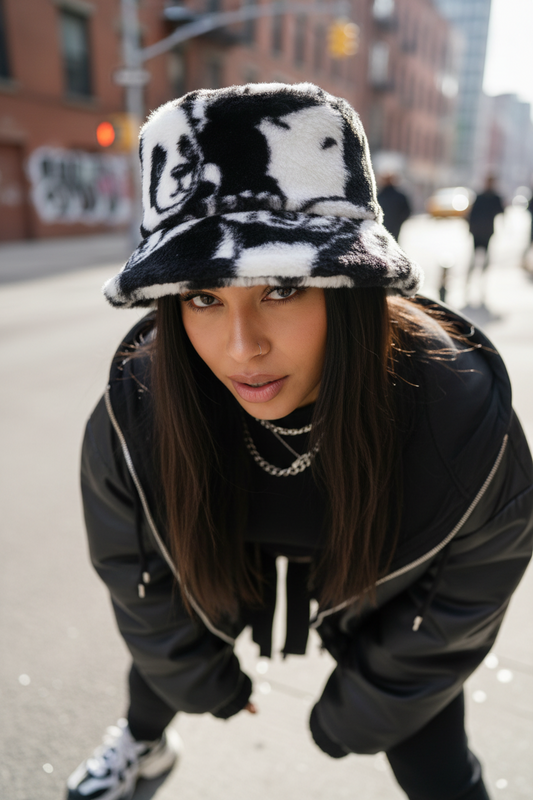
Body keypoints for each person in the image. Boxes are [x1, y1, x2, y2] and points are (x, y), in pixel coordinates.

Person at [67, 84, 533, 800]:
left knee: (435, 759)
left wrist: (355, 716)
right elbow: (140, 579)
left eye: (281, 289)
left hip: (380, 573)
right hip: (221, 557)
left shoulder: (457, 415)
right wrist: (202, 682)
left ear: (347, 286)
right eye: (202, 297)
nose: (241, 346)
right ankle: (142, 741)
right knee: (161, 671)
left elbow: (457, 607)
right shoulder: (142, 408)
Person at [466, 176, 505, 302]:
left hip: (487, 231)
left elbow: (501, 211)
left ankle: (482, 280)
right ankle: (470, 280)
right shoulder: (480, 196)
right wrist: (470, 228)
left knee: (485, 258)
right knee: (474, 257)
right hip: (478, 231)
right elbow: (472, 213)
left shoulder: (495, 197)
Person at [377, 172, 411, 241]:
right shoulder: (400, 195)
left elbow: (407, 211)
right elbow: (407, 211)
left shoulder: (379, 196)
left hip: (385, 225)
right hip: (394, 225)